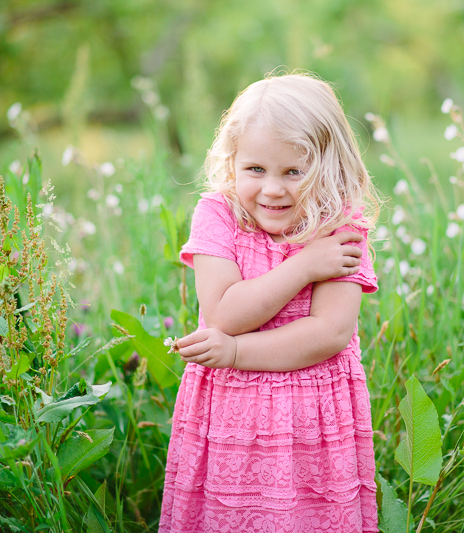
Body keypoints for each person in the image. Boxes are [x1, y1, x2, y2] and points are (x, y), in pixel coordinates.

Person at [160, 73, 380, 533]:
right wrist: (302, 268)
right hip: (230, 417)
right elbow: (223, 313)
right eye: (255, 170)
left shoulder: (338, 226)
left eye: (294, 172)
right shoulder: (218, 215)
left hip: (312, 424)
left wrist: (238, 351)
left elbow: (331, 333)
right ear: (232, 161)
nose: (273, 189)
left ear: (328, 168)